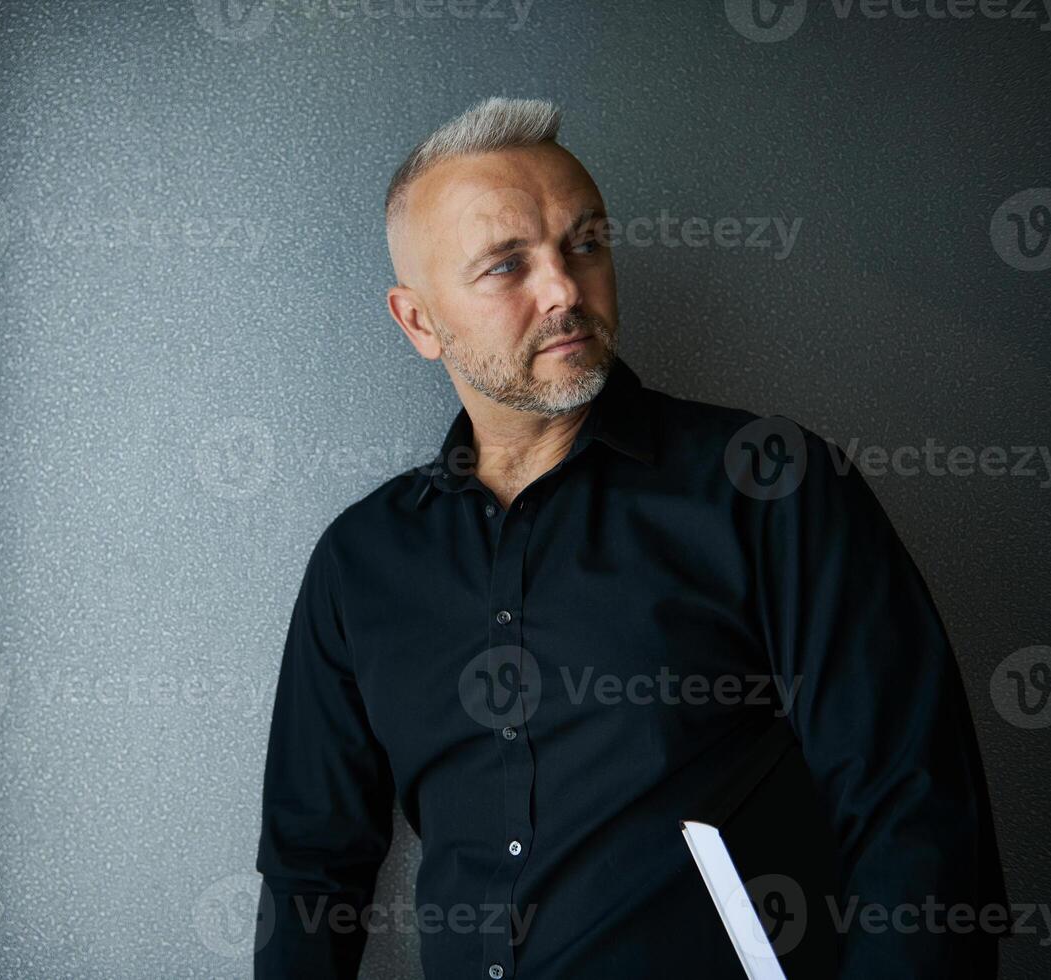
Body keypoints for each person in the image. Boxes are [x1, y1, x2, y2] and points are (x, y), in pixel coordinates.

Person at [253, 96, 1009, 979]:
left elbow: (913, 820)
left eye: (584, 244)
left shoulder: (768, 486)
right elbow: (310, 869)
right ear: (418, 321)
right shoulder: (360, 563)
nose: (565, 290)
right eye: (506, 266)